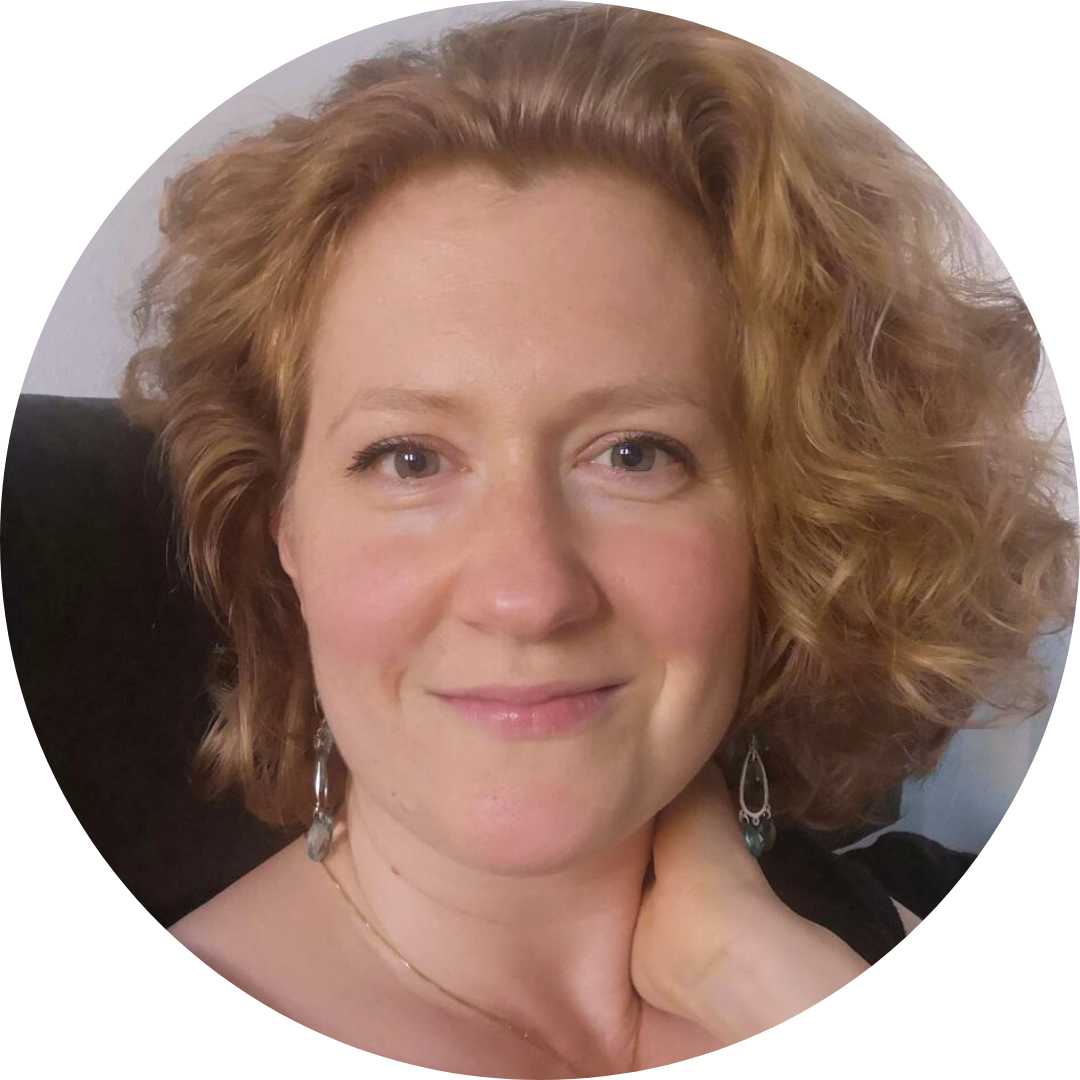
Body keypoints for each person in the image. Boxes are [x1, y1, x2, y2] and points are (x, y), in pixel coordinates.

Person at [112, 5, 1079, 1076]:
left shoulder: (909, 926)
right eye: (409, 460)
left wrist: (779, 991)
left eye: (634, 454)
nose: (528, 594)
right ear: (284, 529)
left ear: (790, 518)